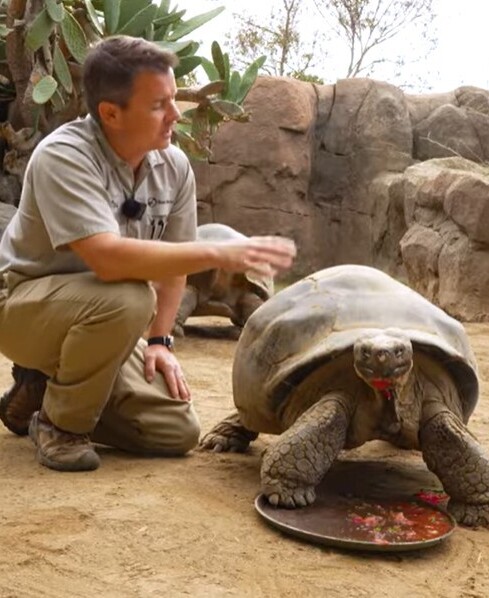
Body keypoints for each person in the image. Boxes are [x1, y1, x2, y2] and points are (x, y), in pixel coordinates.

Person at [0, 36, 296, 473]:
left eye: (174, 99)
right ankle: (62, 428)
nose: (176, 114)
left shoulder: (173, 166)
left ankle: (40, 392)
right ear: (110, 113)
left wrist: (160, 341)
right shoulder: (63, 156)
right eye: (159, 104)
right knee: (130, 297)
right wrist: (215, 252)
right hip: (22, 308)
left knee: (173, 432)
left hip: (102, 322)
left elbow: (174, 261)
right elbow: (109, 260)